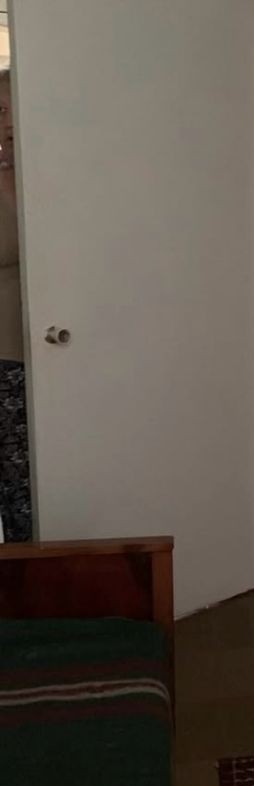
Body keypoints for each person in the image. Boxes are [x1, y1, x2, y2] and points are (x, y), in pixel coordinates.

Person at [0, 67, 30, 541]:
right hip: (7, 358)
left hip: (72, 349)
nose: (6, 120)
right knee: (18, 484)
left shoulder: (57, 173)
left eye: (13, 106)